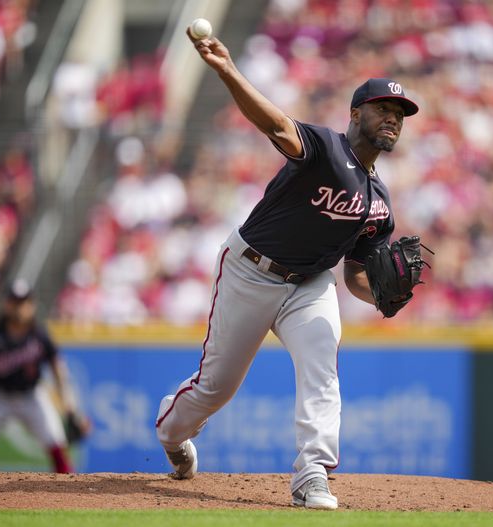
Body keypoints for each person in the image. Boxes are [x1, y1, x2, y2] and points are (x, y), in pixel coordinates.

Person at [154, 28, 420, 510]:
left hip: (310, 285)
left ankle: (312, 475)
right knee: (216, 388)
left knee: (322, 367)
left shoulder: (380, 203)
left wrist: (382, 296)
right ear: (355, 114)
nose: (393, 119)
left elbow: (356, 275)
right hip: (251, 270)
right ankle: (173, 436)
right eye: (383, 108)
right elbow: (276, 125)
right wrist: (228, 70)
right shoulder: (324, 148)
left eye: (399, 114)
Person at [0, 279, 78, 473]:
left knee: (57, 446)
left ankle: (72, 496)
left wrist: (68, 403)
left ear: (31, 305)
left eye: (23, 302)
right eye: (15, 302)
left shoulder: (39, 335)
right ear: (7, 304)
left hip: (31, 396)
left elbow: (58, 367)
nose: (19, 308)